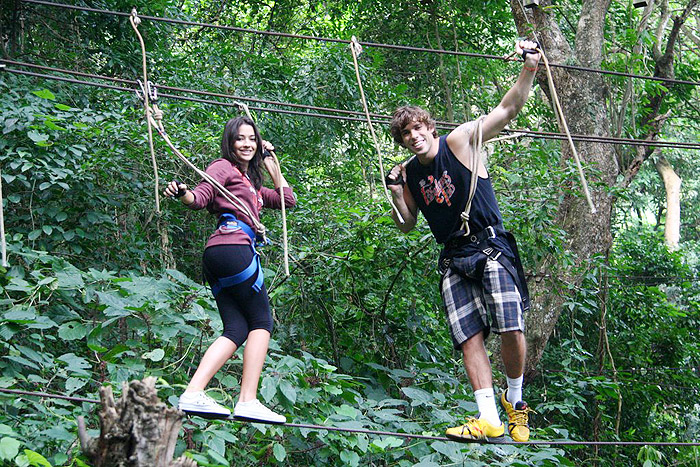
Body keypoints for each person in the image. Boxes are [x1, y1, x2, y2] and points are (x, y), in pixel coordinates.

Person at [386, 40, 540, 442]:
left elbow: (506, 111)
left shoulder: (458, 142)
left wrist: (530, 68)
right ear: (402, 141)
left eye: (418, 128)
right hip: (454, 256)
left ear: (429, 128)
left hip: (488, 243)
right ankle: (488, 418)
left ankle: (516, 402)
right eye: (406, 133)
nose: (414, 136)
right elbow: (406, 224)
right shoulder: (410, 174)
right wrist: (394, 192)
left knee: (511, 326)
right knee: (469, 335)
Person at [164, 116, 296, 424]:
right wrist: (183, 192)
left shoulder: (249, 184)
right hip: (233, 248)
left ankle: (193, 392)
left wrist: (269, 161)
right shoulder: (223, 167)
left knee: (236, 329)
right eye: (240, 139)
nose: (247, 144)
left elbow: (287, 199)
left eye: (252, 139)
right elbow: (200, 197)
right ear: (230, 142)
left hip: (220, 254)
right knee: (262, 321)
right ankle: (248, 400)